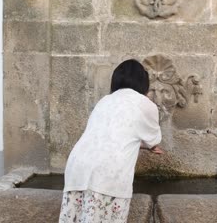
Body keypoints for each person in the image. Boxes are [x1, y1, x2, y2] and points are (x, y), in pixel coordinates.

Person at [59, 59, 163, 223]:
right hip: (108, 172)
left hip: (77, 168)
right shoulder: (145, 104)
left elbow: (108, 136)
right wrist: (149, 146)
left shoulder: (105, 100)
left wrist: (141, 146)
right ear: (143, 82)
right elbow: (153, 138)